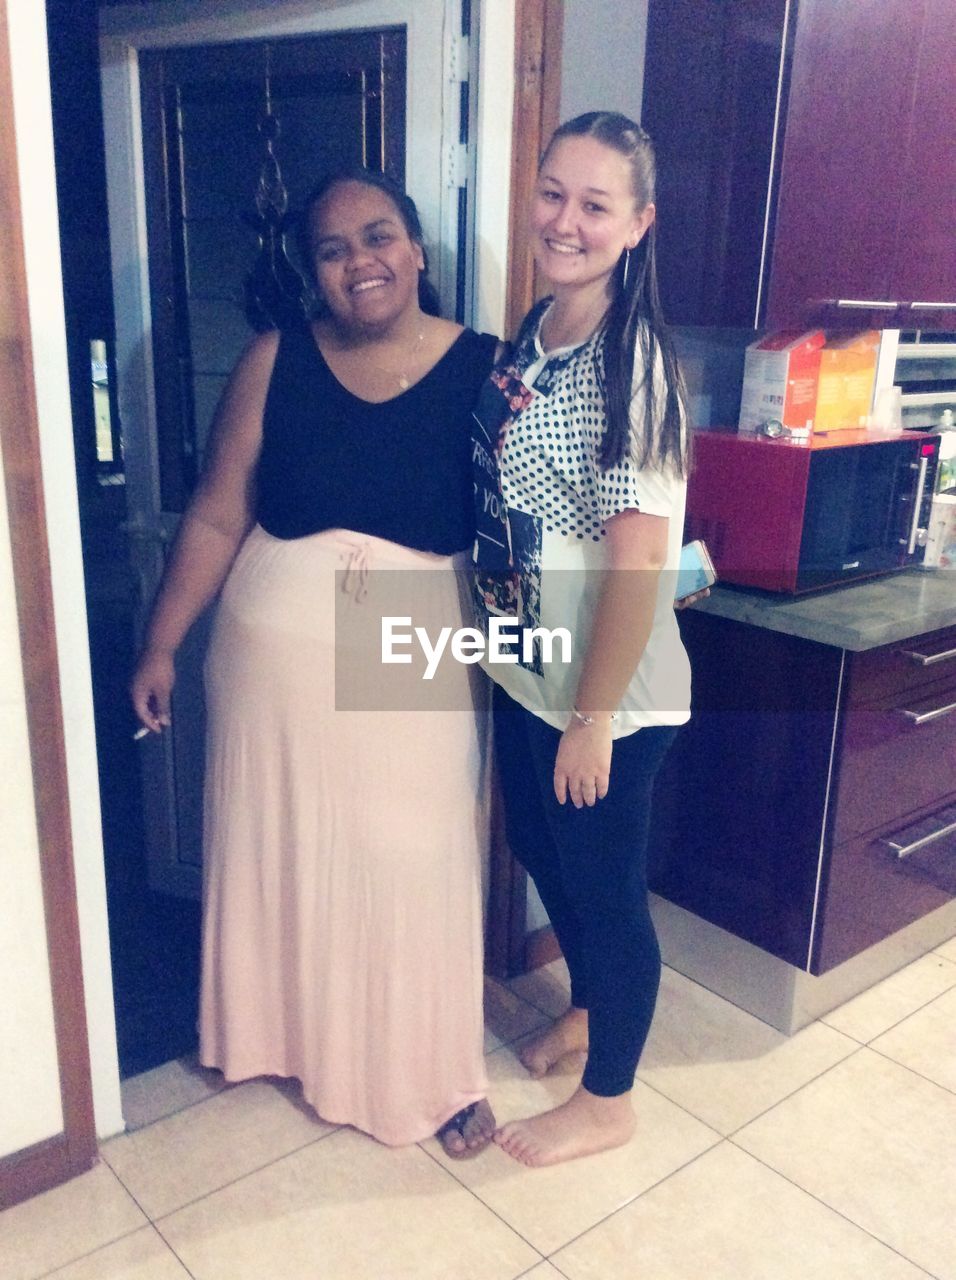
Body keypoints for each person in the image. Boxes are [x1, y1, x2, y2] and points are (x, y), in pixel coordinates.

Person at [131, 167, 498, 1157]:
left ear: (416, 250)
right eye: (331, 250)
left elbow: (530, 528)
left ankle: (433, 1075)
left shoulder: (491, 370)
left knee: (412, 856)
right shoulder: (271, 358)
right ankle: (275, 1037)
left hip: (409, 632)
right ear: (313, 273)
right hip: (266, 656)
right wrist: (162, 638)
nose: (358, 263)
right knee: (277, 846)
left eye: (376, 237)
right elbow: (216, 511)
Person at [471, 112, 691, 1167]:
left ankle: (610, 1099)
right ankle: (594, 1007)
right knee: (542, 848)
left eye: (594, 204)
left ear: (636, 224)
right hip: (531, 668)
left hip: (607, 693)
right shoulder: (539, 327)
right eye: (552, 192)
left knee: (604, 890)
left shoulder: (629, 364)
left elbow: (637, 562)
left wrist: (592, 721)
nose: (564, 219)